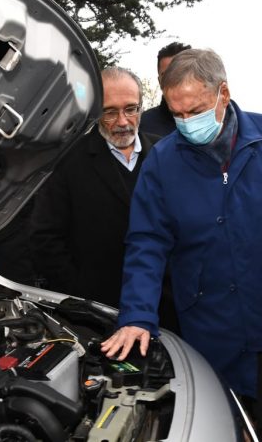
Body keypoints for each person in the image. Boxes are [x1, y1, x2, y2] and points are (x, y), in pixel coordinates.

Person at [101, 49, 262, 442]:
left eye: (195, 110)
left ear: (223, 94)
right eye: (177, 114)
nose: (186, 123)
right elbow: (147, 242)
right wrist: (138, 314)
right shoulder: (163, 161)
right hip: (209, 326)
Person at [29, 67, 178, 332]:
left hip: (169, 306)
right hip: (100, 313)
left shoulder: (168, 152)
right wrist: (81, 296)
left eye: (131, 109)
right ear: (95, 111)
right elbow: (45, 238)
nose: (123, 121)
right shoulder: (68, 161)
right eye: (110, 111)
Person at [139, 41, 191, 136]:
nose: (172, 79)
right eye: (166, 75)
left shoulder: (217, 116)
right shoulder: (143, 124)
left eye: (179, 73)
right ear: (159, 81)